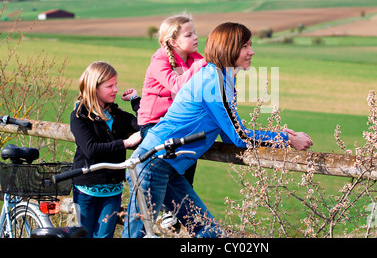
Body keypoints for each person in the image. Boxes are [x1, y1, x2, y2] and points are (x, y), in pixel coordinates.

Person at [122, 22, 313, 238]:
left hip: (166, 166)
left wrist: (277, 134)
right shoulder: (214, 81)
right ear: (228, 48)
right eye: (245, 46)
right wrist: (284, 139)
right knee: (135, 235)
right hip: (153, 163)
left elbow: (230, 134)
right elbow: (239, 137)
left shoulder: (222, 79)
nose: (251, 51)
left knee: (209, 232)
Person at [132, 13, 207, 228]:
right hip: (154, 124)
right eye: (189, 34)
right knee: (166, 161)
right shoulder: (160, 60)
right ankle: (166, 210)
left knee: (187, 158)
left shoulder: (194, 59)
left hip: (177, 125)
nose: (196, 37)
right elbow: (177, 85)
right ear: (173, 41)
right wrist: (200, 66)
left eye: (196, 33)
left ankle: (177, 207)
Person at [70, 61, 142, 238]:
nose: (116, 89)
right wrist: (126, 143)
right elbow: (91, 149)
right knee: (83, 236)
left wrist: (135, 101)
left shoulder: (116, 114)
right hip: (86, 188)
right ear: (94, 87)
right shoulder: (79, 116)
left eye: (116, 84)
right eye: (110, 85)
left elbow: (145, 125)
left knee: (104, 236)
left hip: (113, 190)